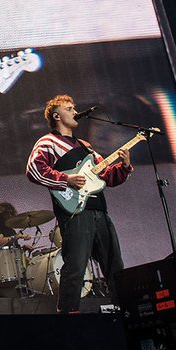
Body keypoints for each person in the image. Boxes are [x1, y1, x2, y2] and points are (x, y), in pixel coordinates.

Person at [25, 94, 132, 313]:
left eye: (74, 108)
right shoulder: (47, 142)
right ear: (57, 115)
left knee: (115, 266)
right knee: (75, 267)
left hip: (99, 211)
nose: (75, 111)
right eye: (69, 108)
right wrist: (67, 180)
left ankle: (128, 312)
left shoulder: (87, 147)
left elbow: (108, 177)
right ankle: (69, 316)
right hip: (75, 213)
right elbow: (34, 170)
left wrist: (124, 166)